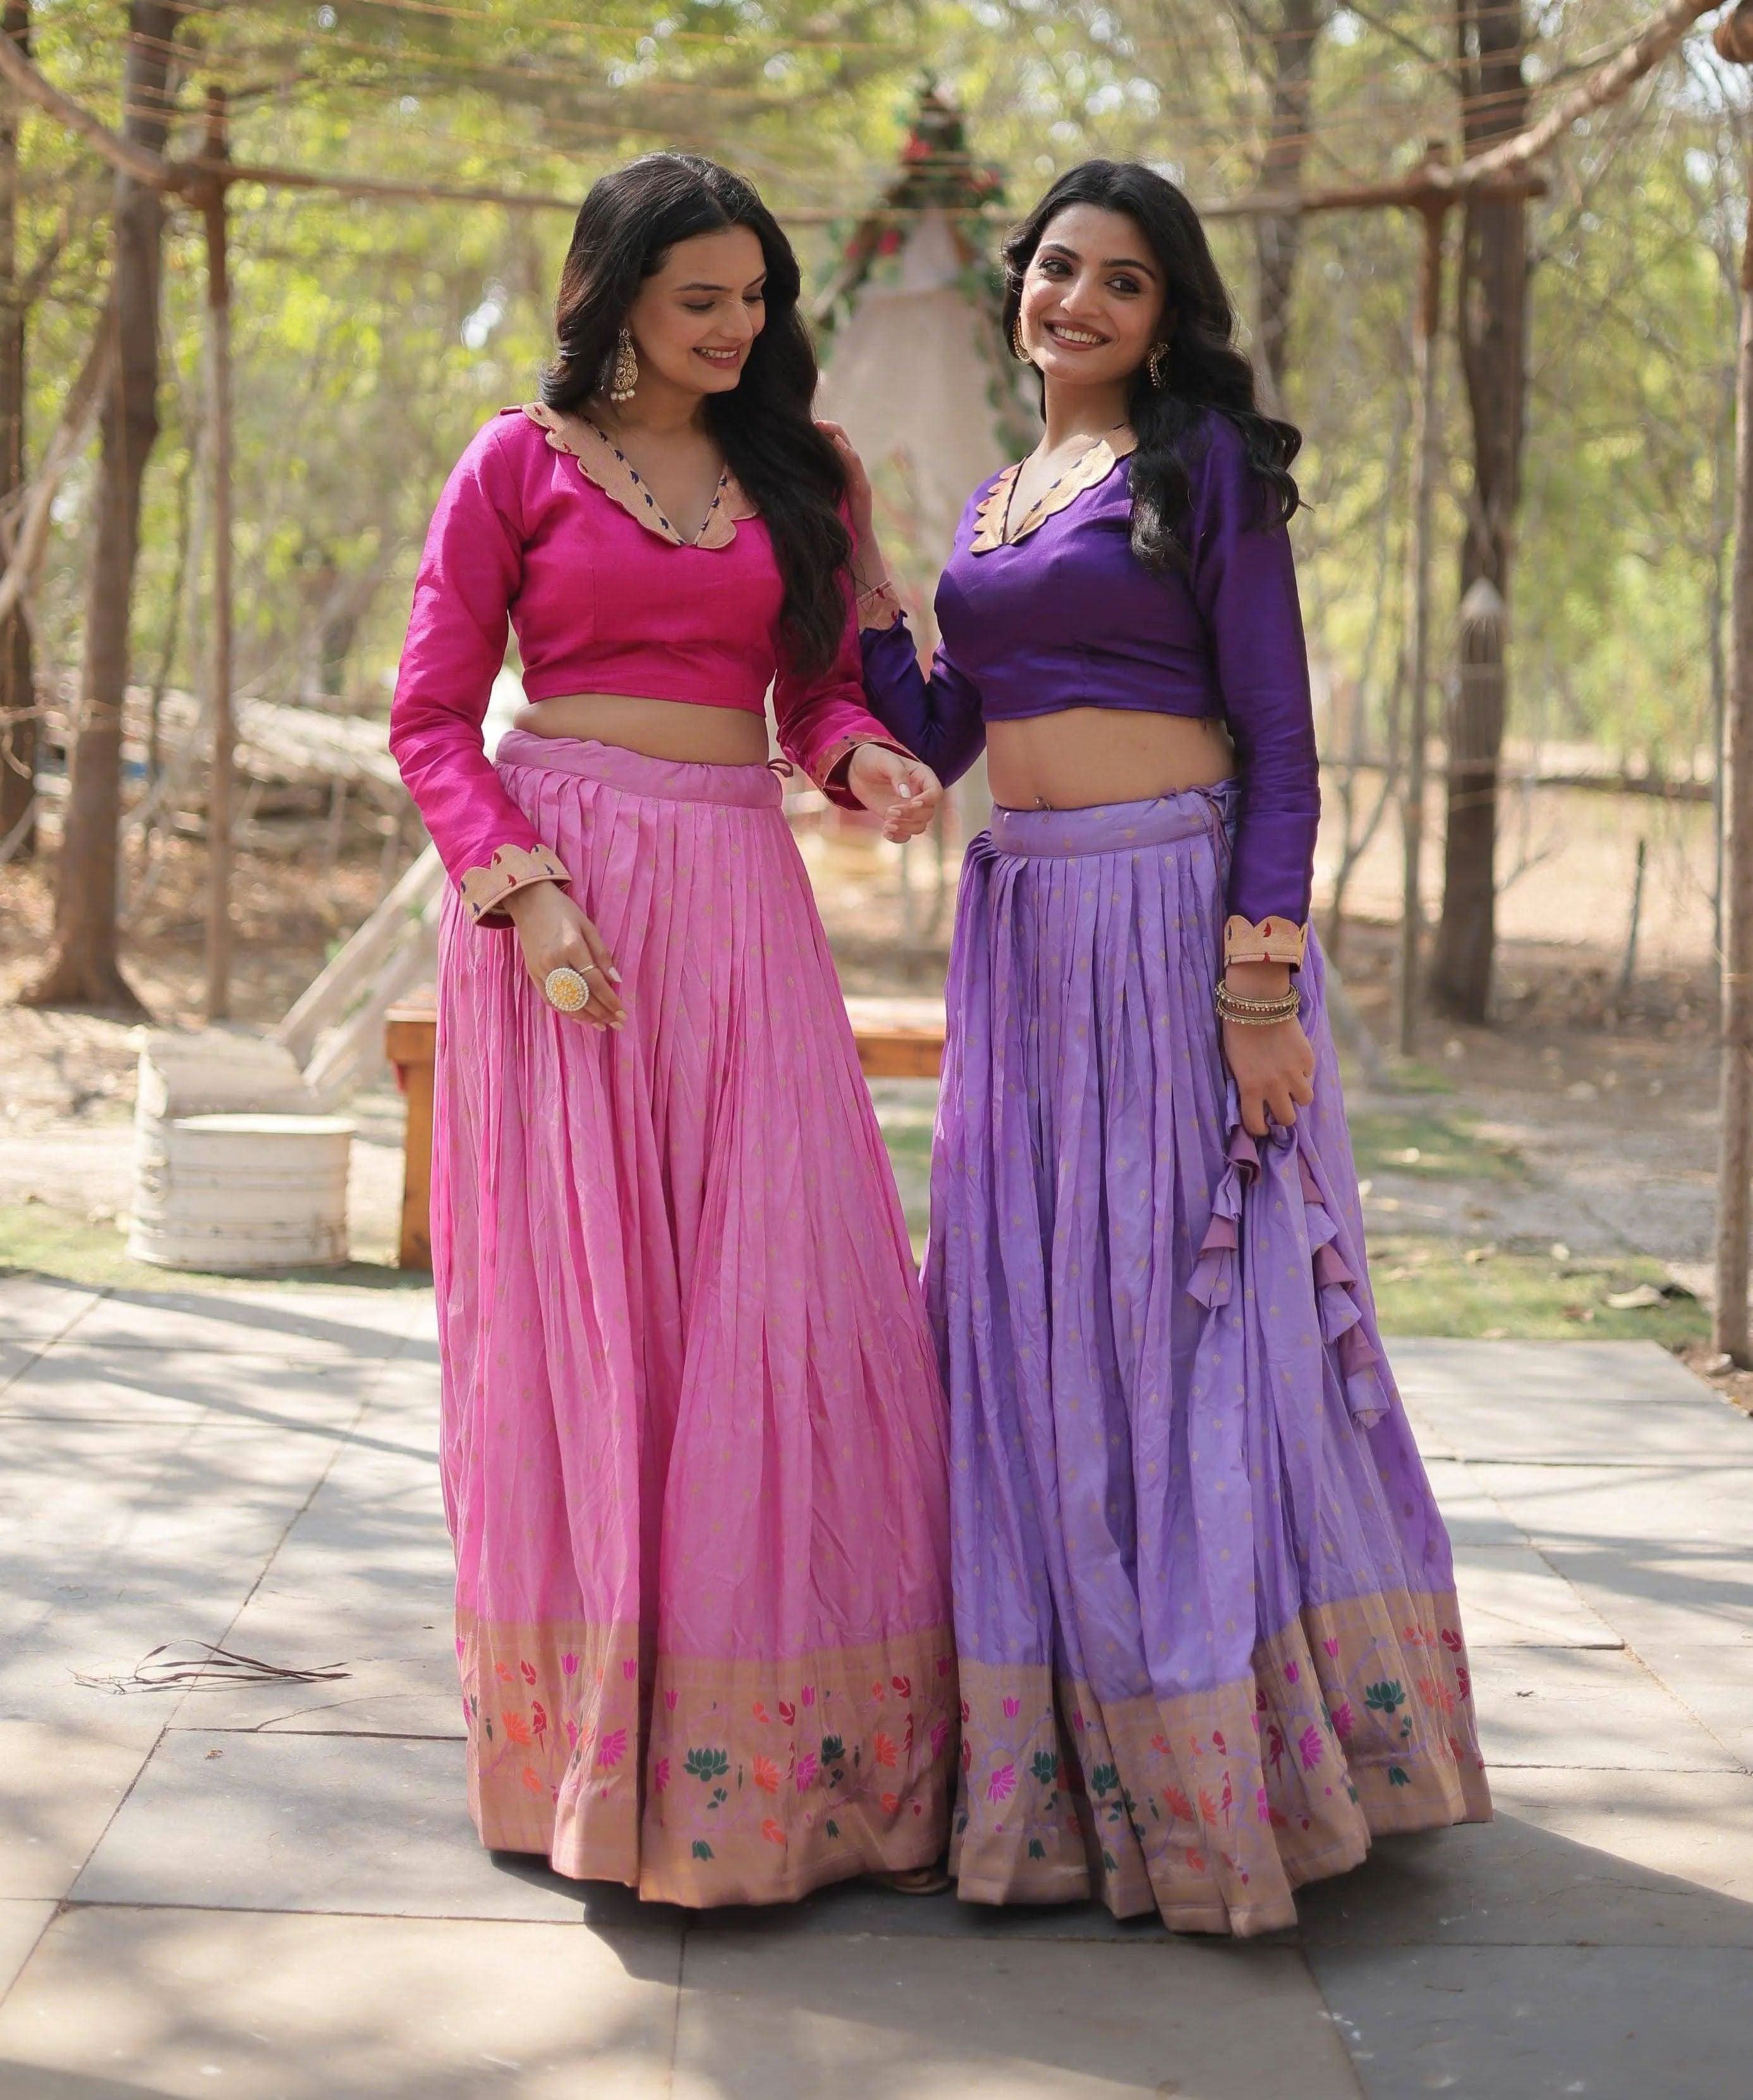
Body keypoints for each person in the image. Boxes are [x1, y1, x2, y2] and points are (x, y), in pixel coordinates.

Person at [829, 158, 1489, 1936]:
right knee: (1039, 1326)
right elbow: (946, 731)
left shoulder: (1199, 472)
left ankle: (1239, 1775)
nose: (1079, 300)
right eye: (1059, 267)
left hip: (1174, 932)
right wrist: (869, 581)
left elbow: (1281, 737)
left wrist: (1257, 986)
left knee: (1187, 1327)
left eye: (1123, 281)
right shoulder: (998, 502)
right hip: (1029, 940)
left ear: (1167, 315)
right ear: (1020, 286)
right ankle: (1060, 1769)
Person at [391, 152, 957, 1907]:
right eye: (702, 297)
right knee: (587, 1317)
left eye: (756, 298)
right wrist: (524, 892)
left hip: (737, 894)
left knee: (780, 1289)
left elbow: (817, 697)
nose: (738, 327)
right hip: (559, 912)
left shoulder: (807, 472)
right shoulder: (515, 464)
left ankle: (773, 1771)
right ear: (616, 295)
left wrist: (864, 761)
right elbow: (430, 720)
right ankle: (586, 1759)